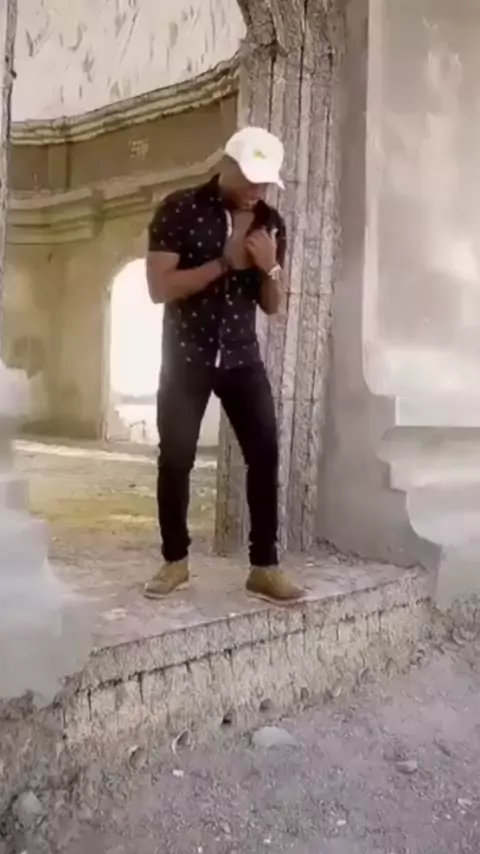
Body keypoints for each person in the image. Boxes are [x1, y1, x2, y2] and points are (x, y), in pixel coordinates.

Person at [144, 126, 305, 604]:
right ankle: (175, 561)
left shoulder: (270, 222)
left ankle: (264, 568)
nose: (258, 189)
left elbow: (272, 306)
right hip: (186, 356)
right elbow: (159, 288)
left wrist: (271, 267)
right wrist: (226, 262)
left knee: (265, 454)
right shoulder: (179, 208)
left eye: (265, 181)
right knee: (176, 458)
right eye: (250, 177)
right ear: (227, 164)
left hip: (241, 357)